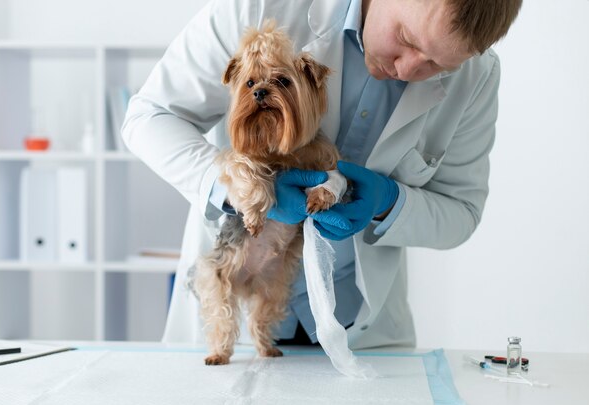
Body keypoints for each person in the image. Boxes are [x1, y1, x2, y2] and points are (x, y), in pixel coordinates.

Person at [122, 0, 522, 348]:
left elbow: (461, 212)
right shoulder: (260, 6)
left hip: (357, 328)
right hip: (240, 296)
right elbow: (147, 117)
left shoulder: (478, 78)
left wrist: (389, 202)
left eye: (437, 65)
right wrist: (241, 188)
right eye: (407, 38)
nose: (408, 68)